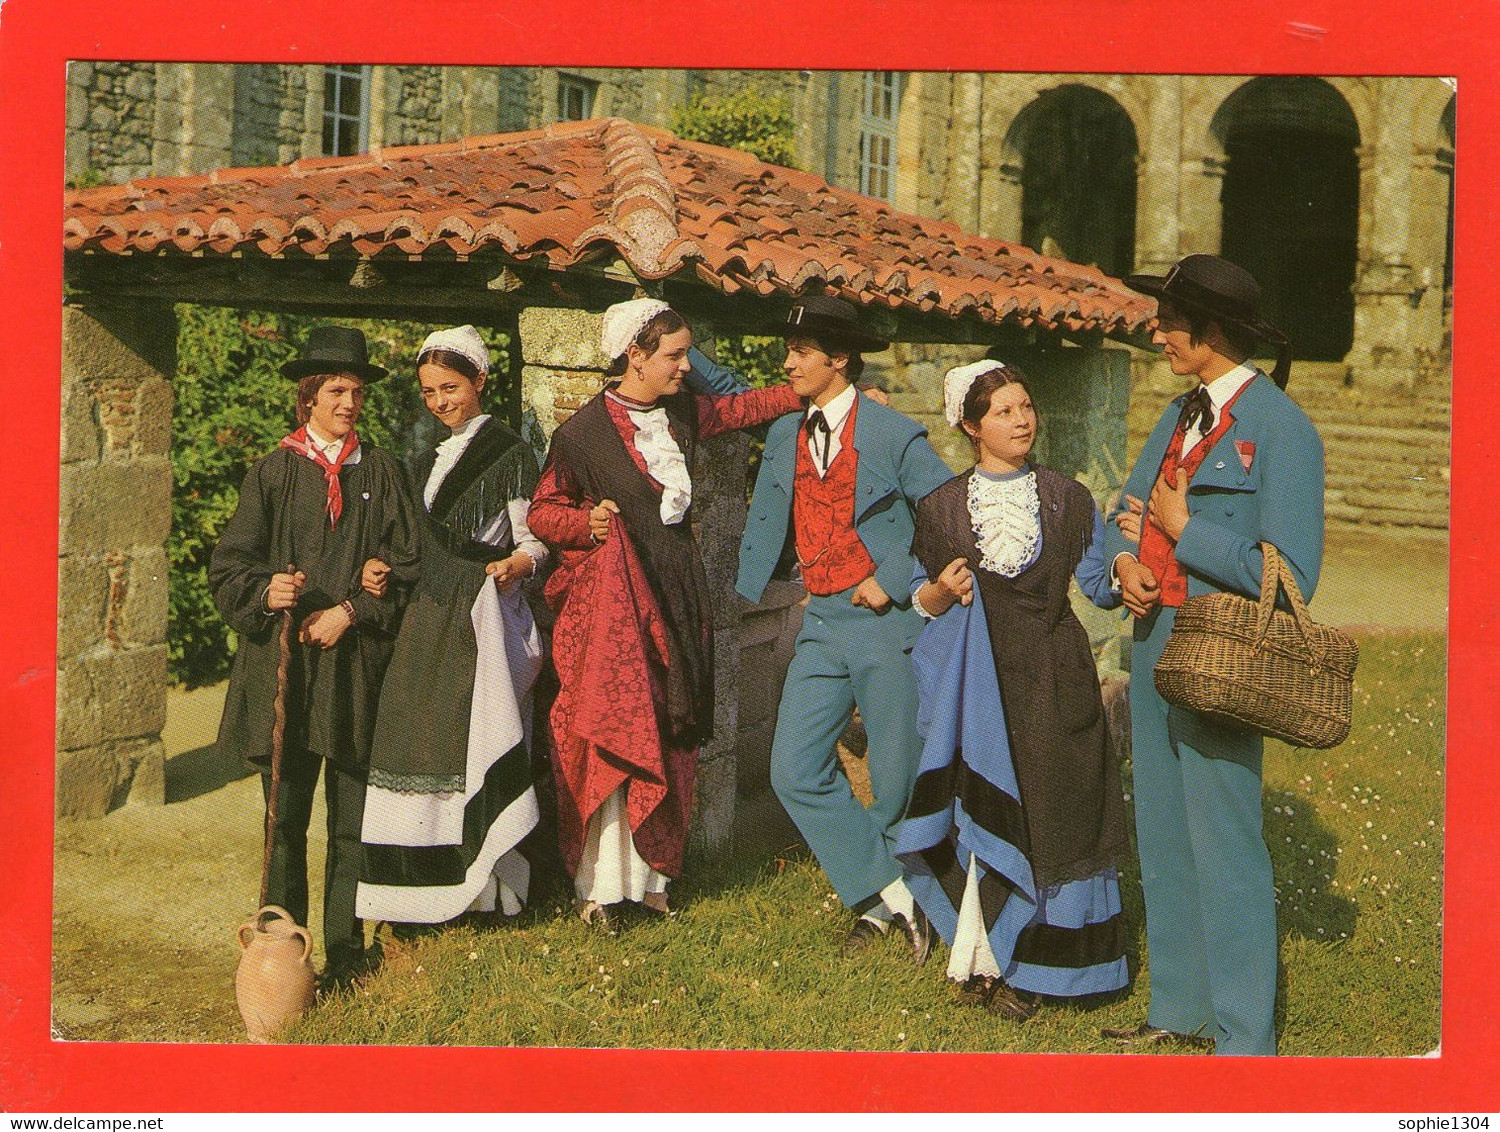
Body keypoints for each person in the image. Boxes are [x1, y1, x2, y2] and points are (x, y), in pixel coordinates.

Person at [1100, 254, 1325, 1056]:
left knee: (1225, 844)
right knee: (1161, 835)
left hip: (1224, 658)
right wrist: (1121, 564)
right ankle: (1179, 1011)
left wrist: (1188, 532)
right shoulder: (1177, 414)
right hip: (1155, 646)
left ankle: (1243, 1042)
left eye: (1169, 319)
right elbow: (1121, 512)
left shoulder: (1283, 428)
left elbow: (1293, 574)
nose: (1156, 331)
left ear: (1214, 329)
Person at [528, 298, 802, 930]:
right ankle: (600, 886)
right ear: (636, 355)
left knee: (670, 727)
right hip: (615, 606)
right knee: (619, 731)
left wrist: (802, 392)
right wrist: (586, 523)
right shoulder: (581, 435)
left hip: (676, 593)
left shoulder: (679, 413)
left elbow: (736, 409)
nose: (685, 367)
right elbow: (543, 511)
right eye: (675, 355)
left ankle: (652, 878)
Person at [895, 360, 1130, 1020]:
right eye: (1003, 410)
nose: (1022, 418)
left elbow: (1099, 587)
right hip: (979, 688)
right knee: (991, 813)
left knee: (1059, 812)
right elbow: (920, 598)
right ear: (970, 426)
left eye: (1026, 406)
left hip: (1056, 679)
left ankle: (1059, 971)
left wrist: (1131, 554)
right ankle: (986, 959)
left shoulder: (1067, 498)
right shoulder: (940, 510)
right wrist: (935, 594)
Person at [734, 295, 953, 961]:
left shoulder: (892, 434)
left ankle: (893, 906)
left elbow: (949, 515)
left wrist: (893, 578)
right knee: (794, 768)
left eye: (802, 351)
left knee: (895, 773)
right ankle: (889, 889)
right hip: (820, 620)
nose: (788, 361)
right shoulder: (783, 433)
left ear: (840, 359)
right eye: (789, 348)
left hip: (885, 623)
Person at [210, 325, 420, 992]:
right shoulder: (273, 473)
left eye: (357, 392)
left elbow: (408, 567)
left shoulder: (383, 473)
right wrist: (265, 590)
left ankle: (346, 948)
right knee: (286, 816)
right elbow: (229, 566)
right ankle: (283, 949)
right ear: (308, 398)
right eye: (337, 391)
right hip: (288, 673)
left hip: (353, 666)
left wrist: (352, 609)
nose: (349, 403)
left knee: (352, 817)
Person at [354, 325, 548, 931]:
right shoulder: (422, 460)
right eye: (431, 391)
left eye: (451, 388)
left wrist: (518, 563)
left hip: (480, 617)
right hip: (426, 621)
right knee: (421, 747)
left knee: (473, 746)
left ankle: (493, 890)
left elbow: (533, 541)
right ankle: (419, 890)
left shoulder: (510, 454)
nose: (440, 402)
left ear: (480, 382)